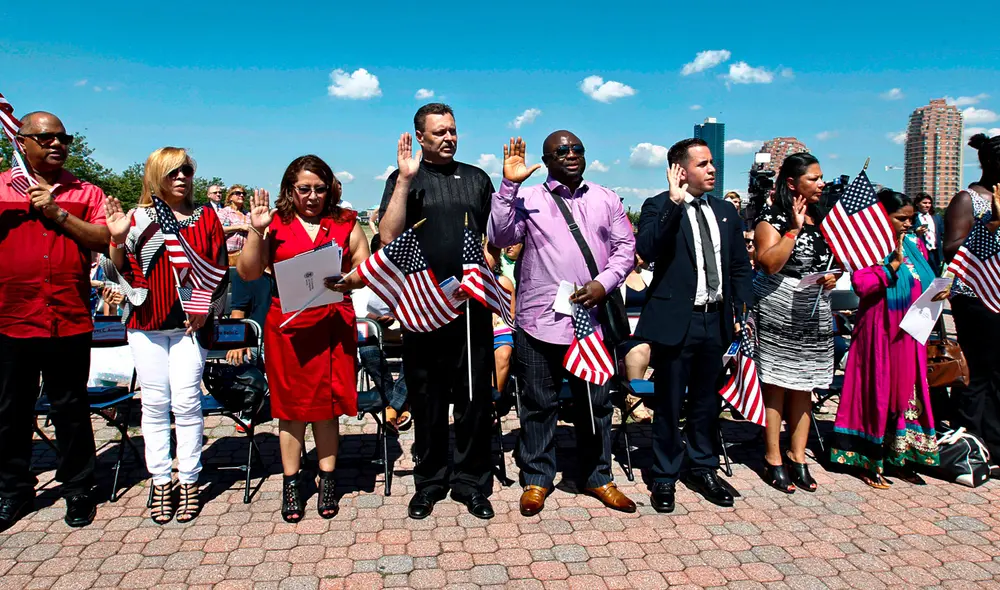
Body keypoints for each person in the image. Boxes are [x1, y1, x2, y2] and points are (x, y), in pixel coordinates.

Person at [358, 103, 497, 520]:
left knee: (473, 399)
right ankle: (430, 481)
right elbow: (387, 235)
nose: (449, 138)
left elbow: (493, 236)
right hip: (422, 305)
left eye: (453, 130)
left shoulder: (476, 178)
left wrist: (493, 265)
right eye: (439, 132)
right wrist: (403, 181)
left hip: (469, 307)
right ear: (420, 136)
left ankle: (472, 482)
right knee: (427, 399)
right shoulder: (405, 179)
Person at [489, 134, 637, 516]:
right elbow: (501, 236)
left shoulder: (606, 198)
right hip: (540, 320)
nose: (571, 155)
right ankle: (537, 479)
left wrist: (603, 284)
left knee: (595, 404)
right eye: (562, 151)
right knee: (539, 403)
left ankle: (597, 476)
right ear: (546, 159)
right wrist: (509, 184)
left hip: (592, 321)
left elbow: (625, 250)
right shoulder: (529, 198)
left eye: (577, 150)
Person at [238, 156, 368, 523]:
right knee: (291, 411)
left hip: (332, 326)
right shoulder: (275, 223)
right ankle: (291, 482)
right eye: (304, 189)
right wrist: (255, 231)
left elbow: (364, 264)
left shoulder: (344, 221)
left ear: (330, 189)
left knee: (327, 408)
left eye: (319, 189)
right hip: (289, 329)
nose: (312, 196)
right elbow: (247, 273)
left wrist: (350, 280)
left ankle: (328, 480)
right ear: (289, 190)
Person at [103, 147, 227, 524]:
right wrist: (116, 240)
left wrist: (206, 309)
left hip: (191, 325)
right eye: (172, 171)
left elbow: (220, 269)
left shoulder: (207, 217)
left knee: (188, 401)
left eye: (186, 170)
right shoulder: (137, 218)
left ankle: (189, 477)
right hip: (146, 323)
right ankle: (160, 479)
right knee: (154, 404)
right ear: (156, 175)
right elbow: (115, 272)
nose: (181, 177)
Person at [0, 111, 109, 531]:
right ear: (21, 142)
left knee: (71, 407)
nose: (56, 144)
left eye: (62, 138)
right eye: (45, 138)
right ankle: (13, 489)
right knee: (11, 409)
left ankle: (78, 487)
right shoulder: (3, 187)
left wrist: (58, 212)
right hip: (13, 317)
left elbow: (103, 239)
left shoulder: (86, 191)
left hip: (68, 316)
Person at [634, 138, 752, 513]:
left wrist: (742, 310)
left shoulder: (726, 212)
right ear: (680, 170)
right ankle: (665, 475)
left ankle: (703, 467)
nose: (712, 169)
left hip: (715, 320)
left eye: (712, 163)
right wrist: (673, 200)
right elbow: (648, 248)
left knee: (706, 402)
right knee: (668, 403)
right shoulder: (658, 205)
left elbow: (738, 266)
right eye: (703, 164)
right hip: (676, 323)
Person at [831, 190, 942, 487]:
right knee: (877, 390)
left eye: (910, 218)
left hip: (910, 332)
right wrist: (890, 267)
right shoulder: (868, 247)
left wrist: (939, 290)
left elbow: (927, 278)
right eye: (901, 218)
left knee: (908, 392)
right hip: (879, 333)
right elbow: (862, 285)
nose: (907, 223)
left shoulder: (914, 245)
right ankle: (869, 459)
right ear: (882, 216)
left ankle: (901, 456)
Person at [752, 153, 837, 493]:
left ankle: (797, 455)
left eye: (821, 177)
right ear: (792, 183)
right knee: (777, 384)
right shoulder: (771, 217)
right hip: (778, 309)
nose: (821, 183)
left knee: (805, 385)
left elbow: (830, 261)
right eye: (813, 178)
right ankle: (773, 457)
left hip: (814, 310)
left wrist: (832, 277)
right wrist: (793, 229)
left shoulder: (823, 217)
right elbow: (768, 263)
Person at [944, 133, 1000, 461]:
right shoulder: (968, 199)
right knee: (978, 370)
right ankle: (969, 439)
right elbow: (950, 248)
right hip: (974, 296)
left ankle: (994, 442)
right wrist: (989, 226)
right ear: (990, 163)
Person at [217, 184, 250, 266]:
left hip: (246, 256)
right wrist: (240, 227)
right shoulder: (224, 212)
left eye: (243, 194)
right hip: (228, 256)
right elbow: (218, 229)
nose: (241, 195)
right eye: (238, 193)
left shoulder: (248, 214)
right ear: (230, 197)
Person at [913, 193, 944, 273]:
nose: (927, 205)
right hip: (922, 251)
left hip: (936, 252)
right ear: (917, 204)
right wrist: (916, 232)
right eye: (924, 203)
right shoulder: (913, 218)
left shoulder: (936, 217)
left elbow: (942, 234)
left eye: (929, 203)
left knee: (936, 275)